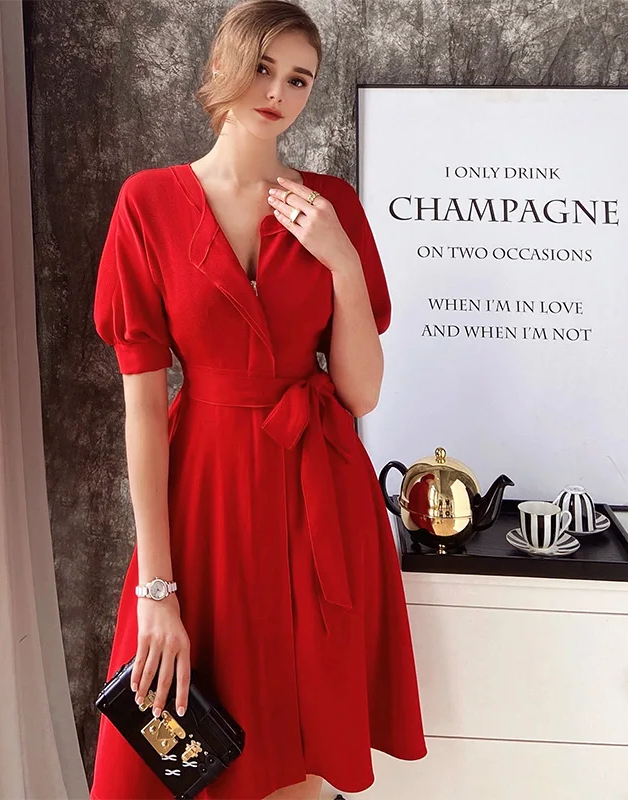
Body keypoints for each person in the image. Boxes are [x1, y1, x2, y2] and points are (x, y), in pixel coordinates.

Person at [90, 1, 427, 798]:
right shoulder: (147, 203)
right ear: (222, 67)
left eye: (299, 78)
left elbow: (360, 391)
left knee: (301, 754)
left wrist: (341, 259)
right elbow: (143, 409)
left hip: (320, 494)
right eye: (263, 68)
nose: (278, 91)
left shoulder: (332, 206)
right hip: (205, 493)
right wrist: (157, 591)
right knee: (188, 740)